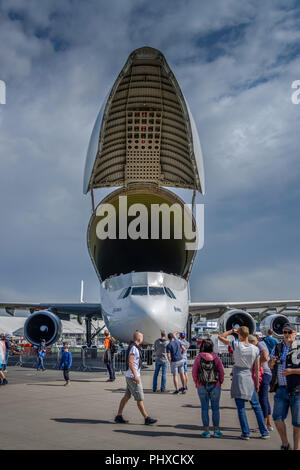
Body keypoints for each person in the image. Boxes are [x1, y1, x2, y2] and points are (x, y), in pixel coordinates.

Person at [218, 326, 269, 440]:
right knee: (256, 406)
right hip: (249, 376)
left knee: (240, 407)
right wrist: (256, 383)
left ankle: (245, 433)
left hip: (238, 375)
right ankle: (264, 431)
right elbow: (256, 368)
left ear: (239, 335)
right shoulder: (255, 349)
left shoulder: (236, 345)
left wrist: (232, 331)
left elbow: (220, 337)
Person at [269, 322, 300, 451]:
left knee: (297, 423)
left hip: (297, 390)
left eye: (289, 332)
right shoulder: (278, 347)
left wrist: (292, 371)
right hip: (281, 389)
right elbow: (270, 365)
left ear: (295, 334)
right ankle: (285, 443)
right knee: (277, 418)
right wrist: (272, 362)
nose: (286, 335)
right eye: (284, 332)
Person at [114, 331, 157, 425]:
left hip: (130, 376)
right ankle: (146, 418)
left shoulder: (134, 347)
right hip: (133, 377)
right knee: (139, 398)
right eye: (142, 337)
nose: (143, 339)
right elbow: (130, 362)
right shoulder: (134, 348)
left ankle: (118, 416)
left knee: (127, 396)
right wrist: (135, 376)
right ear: (139, 338)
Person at [192, 338, 224, 438]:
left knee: (204, 409)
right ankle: (216, 430)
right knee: (215, 409)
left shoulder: (198, 357)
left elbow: (194, 372)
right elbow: (221, 371)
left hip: (202, 385)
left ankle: (206, 431)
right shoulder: (216, 357)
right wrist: (220, 382)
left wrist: (197, 382)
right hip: (215, 385)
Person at [248, 334, 273, 431]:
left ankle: (264, 425)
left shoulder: (260, 344)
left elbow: (266, 356)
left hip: (265, 374)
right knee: (265, 399)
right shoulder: (261, 344)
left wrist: (258, 365)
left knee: (262, 400)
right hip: (267, 374)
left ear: (253, 342)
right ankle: (268, 424)